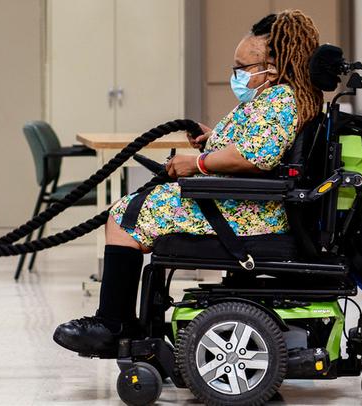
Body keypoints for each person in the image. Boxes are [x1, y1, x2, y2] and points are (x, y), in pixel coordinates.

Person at [53, 10, 324, 358]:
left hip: (249, 215)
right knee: (133, 207)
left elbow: (255, 157)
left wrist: (195, 163)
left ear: (273, 65)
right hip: (250, 207)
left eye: (243, 68)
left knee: (124, 217)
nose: (237, 76)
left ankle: (113, 324)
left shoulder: (280, 100)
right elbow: (253, 145)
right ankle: (120, 323)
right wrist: (213, 140)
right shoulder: (283, 98)